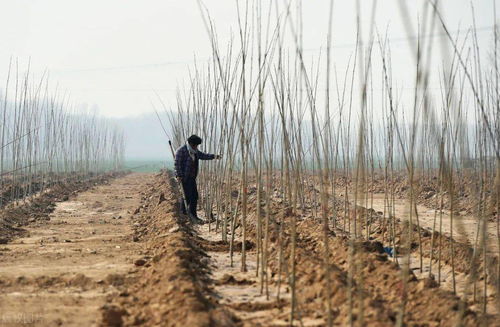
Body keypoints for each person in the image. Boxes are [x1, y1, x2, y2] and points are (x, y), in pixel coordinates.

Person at [174, 134, 221, 223]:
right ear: (191, 143)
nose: (196, 147)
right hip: (184, 178)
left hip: (192, 178)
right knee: (186, 197)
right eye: (195, 145)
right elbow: (177, 164)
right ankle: (183, 215)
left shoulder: (195, 151)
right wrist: (179, 175)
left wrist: (214, 156)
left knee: (194, 196)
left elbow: (203, 156)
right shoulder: (181, 151)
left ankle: (193, 215)